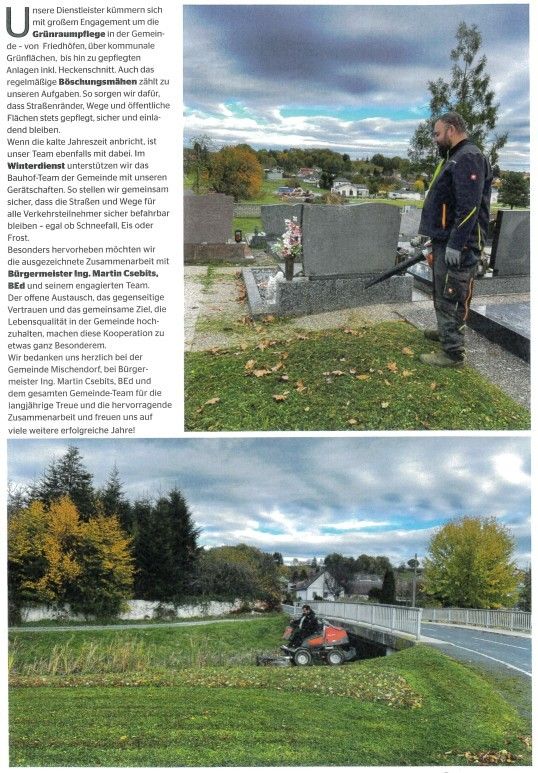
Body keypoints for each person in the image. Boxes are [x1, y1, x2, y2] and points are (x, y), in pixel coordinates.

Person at [418, 111, 492, 367]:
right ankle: (445, 331)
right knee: (441, 289)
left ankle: (452, 353)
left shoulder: (468, 157)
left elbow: (469, 207)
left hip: (460, 246)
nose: (436, 139)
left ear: (451, 130)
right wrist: (436, 238)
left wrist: (455, 243)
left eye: (438, 134)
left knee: (453, 293)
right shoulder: (455, 157)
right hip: (445, 240)